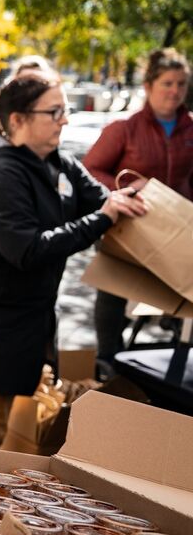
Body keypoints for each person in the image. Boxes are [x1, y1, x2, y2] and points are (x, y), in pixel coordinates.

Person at [0, 74, 147, 448]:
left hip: (30, 323)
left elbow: (102, 199)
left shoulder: (59, 162)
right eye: (54, 111)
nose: (65, 119)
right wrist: (103, 217)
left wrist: (129, 202)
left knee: (10, 436)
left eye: (65, 109)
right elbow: (27, 249)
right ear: (18, 120)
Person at [82, 47, 193, 374]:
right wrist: (127, 189)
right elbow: (89, 171)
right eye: (167, 83)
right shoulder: (124, 129)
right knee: (114, 290)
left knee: (182, 291)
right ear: (148, 86)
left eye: (181, 84)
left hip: (176, 229)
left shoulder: (190, 130)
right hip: (128, 226)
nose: (175, 91)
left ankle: (175, 357)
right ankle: (108, 358)